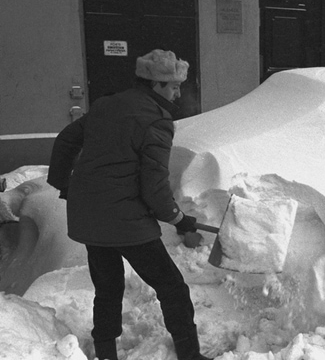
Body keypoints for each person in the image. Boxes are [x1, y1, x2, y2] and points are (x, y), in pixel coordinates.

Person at [47, 49, 210, 360]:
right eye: (174, 86)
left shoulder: (106, 104)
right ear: (156, 84)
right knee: (173, 288)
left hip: (90, 217)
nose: (177, 93)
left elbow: (66, 140)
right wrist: (179, 220)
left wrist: (64, 184)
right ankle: (190, 355)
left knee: (107, 289)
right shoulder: (157, 122)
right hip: (125, 221)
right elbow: (155, 187)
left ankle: (106, 352)